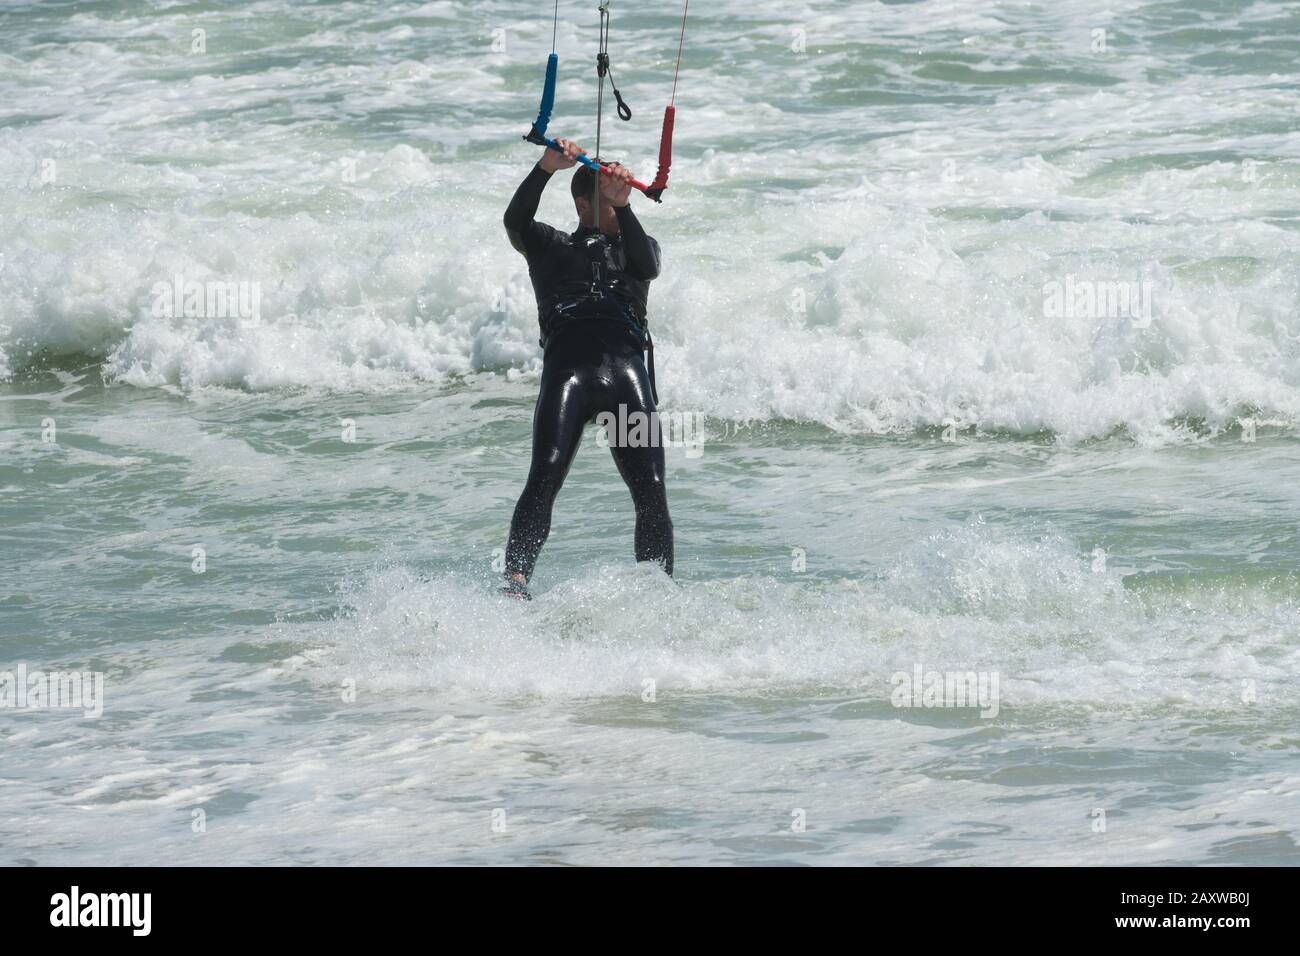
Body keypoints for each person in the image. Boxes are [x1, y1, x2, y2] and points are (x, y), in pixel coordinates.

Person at [500, 139, 673, 598]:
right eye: (610, 198)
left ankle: (657, 591)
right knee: (546, 472)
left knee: (651, 487)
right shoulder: (550, 246)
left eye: (625, 194)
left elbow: (649, 267)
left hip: (626, 376)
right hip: (569, 377)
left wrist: (625, 208)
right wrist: (545, 168)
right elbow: (515, 222)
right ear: (582, 204)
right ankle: (515, 583)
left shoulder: (637, 247)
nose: (620, 203)